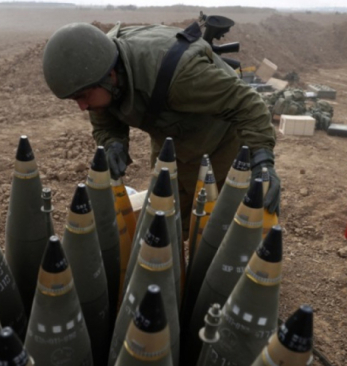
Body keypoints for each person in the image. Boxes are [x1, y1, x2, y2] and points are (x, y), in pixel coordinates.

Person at [42, 21, 279, 232]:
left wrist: (262, 160)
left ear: (111, 75)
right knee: (161, 224)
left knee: (218, 228)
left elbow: (247, 104)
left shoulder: (179, 76)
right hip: (170, 141)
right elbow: (105, 119)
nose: (82, 107)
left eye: (83, 97)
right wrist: (113, 143)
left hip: (219, 142)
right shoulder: (99, 68)